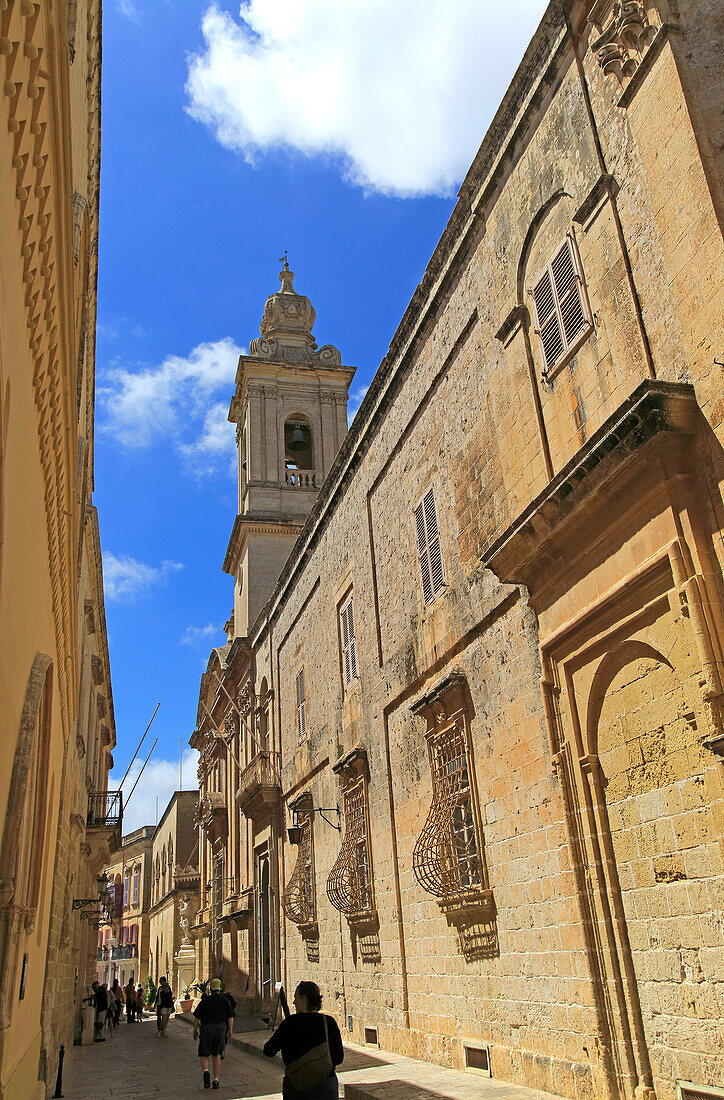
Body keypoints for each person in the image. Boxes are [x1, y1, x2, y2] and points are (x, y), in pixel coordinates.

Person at [263, 981, 343, 1099]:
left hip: (296, 1086)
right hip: (325, 1084)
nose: (294, 1002)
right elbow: (338, 1058)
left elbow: (268, 1050)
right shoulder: (328, 1022)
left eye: (296, 997)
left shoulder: (289, 1024)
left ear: (304, 998)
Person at [193, 978, 234, 1090]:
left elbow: (197, 1017)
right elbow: (230, 1017)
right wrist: (230, 1030)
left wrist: (195, 1030)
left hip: (206, 1028)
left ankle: (206, 1071)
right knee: (217, 1055)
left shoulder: (205, 1001)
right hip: (220, 1028)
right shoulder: (225, 1001)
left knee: (204, 1054)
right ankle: (216, 1080)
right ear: (219, 988)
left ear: (210, 988)